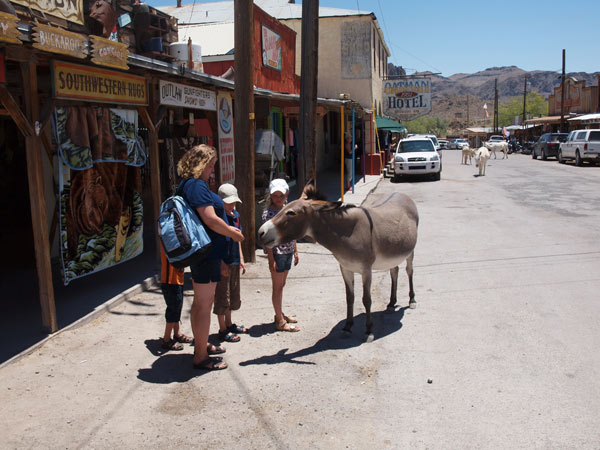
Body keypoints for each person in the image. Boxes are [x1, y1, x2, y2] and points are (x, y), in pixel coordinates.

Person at [177, 145, 244, 371]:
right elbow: (210, 218)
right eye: (211, 164)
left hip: (203, 253)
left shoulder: (188, 184)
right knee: (204, 306)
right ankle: (201, 356)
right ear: (202, 163)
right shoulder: (196, 185)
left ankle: (201, 345)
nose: (212, 169)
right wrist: (232, 232)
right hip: (206, 254)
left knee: (200, 304)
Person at [262, 178, 300, 332]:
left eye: (281, 195)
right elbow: (267, 239)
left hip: (288, 251)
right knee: (277, 288)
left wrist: (296, 250)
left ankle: (279, 314)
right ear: (271, 196)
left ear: (286, 194)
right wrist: (271, 259)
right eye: (275, 195)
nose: (278, 199)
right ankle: (280, 321)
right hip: (277, 253)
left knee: (282, 285)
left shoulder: (289, 209)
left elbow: (293, 231)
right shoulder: (268, 213)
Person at [214, 183, 248, 343]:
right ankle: (222, 329)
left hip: (234, 260)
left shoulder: (236, 215)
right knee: (222, 296)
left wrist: (241, 258)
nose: (232, 205)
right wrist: (221, 263)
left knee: (233, 295)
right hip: (223, 262)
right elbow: (215, 242)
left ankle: (229, 323)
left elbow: (237, 238)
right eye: (228, 202)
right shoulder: (217, 218)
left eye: (234, 202)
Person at [159, 247, 194, 351]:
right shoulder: (167, 238)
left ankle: (177, 333)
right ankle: (166, 339)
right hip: (170, 280)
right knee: (173, 308)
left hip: (178, 277)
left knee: (177, 306)